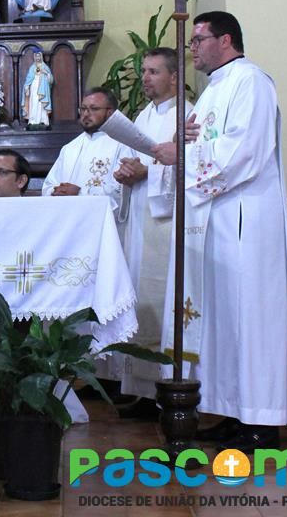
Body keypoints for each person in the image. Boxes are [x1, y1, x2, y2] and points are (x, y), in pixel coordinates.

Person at [152, 11, 287, 448]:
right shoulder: (212, 91)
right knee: (225, 322)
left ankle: (261, 421)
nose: (192, 49)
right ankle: (235, 412)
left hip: (246, 223)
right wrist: (181, 145)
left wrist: (183, 155)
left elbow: (245, 150)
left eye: (198, 40)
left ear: (225, 40)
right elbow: (203, 145)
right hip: (217, 222)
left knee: (250, 319)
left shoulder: (251, 81)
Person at [111, 48, 192, 412]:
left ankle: (166, 390)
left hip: (167, 221)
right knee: (140, 299)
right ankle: (142, 391)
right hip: (140, 220)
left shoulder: (187, 114)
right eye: (143, 71)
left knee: (162, 299)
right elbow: (128, 159)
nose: (145, 77)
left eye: (153, 71)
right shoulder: (143, 115)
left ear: (174, 77)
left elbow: (190, 167)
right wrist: (125, 173)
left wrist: (148, 172)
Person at [42, 87, 131, 217]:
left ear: (110, 112)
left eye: (94, 109)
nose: (86, 114)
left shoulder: (123, 144)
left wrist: (80, 193)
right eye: (83, 109)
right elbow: (48, 185)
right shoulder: (70, 148)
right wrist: (56, 191)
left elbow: (121, 191)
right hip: (68, 220)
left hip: (102, 222)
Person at [20, 49, 53, 129]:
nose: (37, 58)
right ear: (34, 57)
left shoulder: (45, 67)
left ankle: (43, 120)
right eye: (36, 56)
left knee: (41, 104)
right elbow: (28, 79)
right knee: (34, 103)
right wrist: (27, 87)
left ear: (41, 57)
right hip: (34, 87)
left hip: (43, 88)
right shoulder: (32, 67)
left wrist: (46, 73)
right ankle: (33, 120)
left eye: (39, 56)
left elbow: (51, 80)